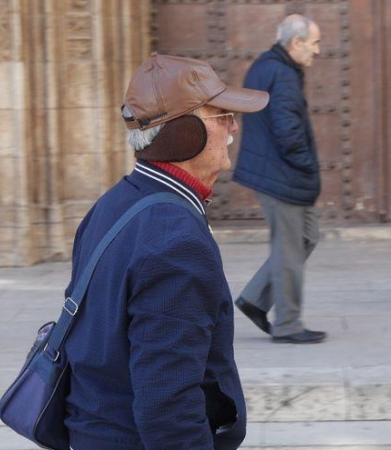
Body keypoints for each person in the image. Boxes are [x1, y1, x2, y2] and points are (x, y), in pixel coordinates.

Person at [63, 53, 269, 449]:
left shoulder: (114, 203)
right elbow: (168, 405)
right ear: (184, 134)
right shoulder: (177, 243)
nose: (233, 128)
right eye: (221, 116)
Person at [232, 15, 326, 344]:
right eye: (314, 43)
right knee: (289, 247)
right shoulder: (282, 73)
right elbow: (288, 133)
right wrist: (307, 167)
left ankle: (255, 298)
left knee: (307, 236)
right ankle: (287, 324)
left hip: (274, 171)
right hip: (281, 174)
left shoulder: (268, 66)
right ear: (295, 43)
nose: (317, 51)